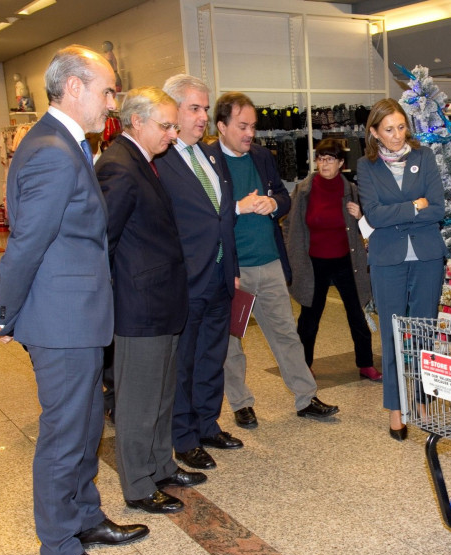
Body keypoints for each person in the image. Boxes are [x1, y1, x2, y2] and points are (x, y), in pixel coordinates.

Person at [0, 45, 146, 555]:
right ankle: (58, 551)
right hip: (61, 319)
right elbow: (26, 243)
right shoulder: (53, 148)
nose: (110, 100)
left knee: (85, 424)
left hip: (73, 314)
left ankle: (84, 518)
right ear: (73, 87)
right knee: (65, 435)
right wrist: (3, 315)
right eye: (106, 89)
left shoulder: (64, 143)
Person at [96, 86, 207, 515]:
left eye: (174, 126)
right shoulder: (119, 167)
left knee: (162, 394)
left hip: (162, 302)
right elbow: (102, 241)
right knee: (139, 401)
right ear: (136, 121)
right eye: (166, 126)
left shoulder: (144, 162)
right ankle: (139, 485)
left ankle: (160, 465)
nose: (172, 134)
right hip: (139, 306)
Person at [214, 92, 339, 429]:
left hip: (268, 262)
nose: (250, 133)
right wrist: (239, 206)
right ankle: (241, 403)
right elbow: (204, 214)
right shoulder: (208, 160)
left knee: (285, 333)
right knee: (230, 342)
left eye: (252, 126)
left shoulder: (260, 156)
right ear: (221, 126)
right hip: (233, 269)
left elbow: (284, 196)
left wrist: (274, 203)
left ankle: (305, 397)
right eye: (242, 126)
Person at [154, 74, 242, 471]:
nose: (203, 116)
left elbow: (224, 217)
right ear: (172, 111)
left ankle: (208, 424)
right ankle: (183, 437)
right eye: (195, 108)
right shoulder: (160, 160)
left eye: (205, 108)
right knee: (184, 363)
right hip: (186, 280)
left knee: (212, 356)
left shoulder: (209, 155)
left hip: (221, 276)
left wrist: (234, 270)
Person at [357, 98, 448, 441]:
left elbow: (437, 208)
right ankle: (396, 408)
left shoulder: (423, 158)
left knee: (424, 332)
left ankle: (423, 403)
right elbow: (374, 216)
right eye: (389, 130)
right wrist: (414, 205)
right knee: (393, 334)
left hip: (426, 256)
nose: (397, 136)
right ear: (374, 133)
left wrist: (401, 210)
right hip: (387, 259)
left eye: (401, 127)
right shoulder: (366, 167)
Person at [282, 138, 381, 383]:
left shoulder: (352, 191)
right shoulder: (304, 190)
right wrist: (290, 255)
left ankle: (366, 364)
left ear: (340, 163)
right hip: (314, 263)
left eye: (329, 159)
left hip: (346, 261)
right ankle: (303, 365)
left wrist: (360, 216)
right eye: (320, 158)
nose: (324, 164)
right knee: (309, 317)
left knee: (356, 314)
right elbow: (289, 226)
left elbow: (369, 228)